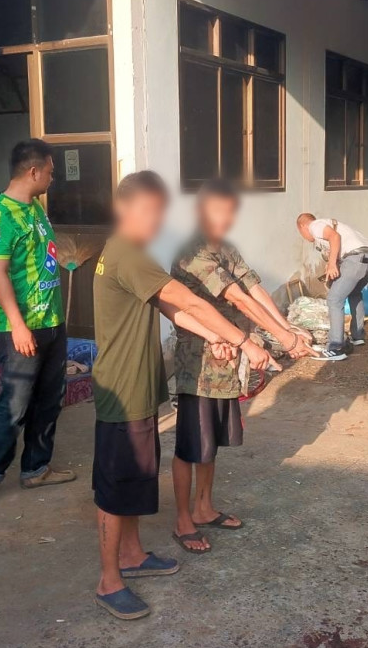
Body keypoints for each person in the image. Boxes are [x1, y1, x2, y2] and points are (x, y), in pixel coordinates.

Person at [91, 171, 274, 621]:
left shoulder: (130, 254)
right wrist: (245, 341)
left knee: (137, 478)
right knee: (115, 488)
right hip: (122, 392)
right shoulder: (127, 254)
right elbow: (190, 301)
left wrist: (216, 336)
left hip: (137, 390)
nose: (157, 221)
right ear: (126, 208)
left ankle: (132, 555)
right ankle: (109, 580)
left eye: (161, 212)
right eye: (150, 212)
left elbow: (172, 309)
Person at [170, 179, 316, 554]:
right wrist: (283, 339)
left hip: (226, 362)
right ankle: (183, 519)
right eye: (219, 212)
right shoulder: (192, 253)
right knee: (190, 445)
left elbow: (255, 289)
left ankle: (203, 507)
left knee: (212, 442)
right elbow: (239, 299)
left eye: (230, 212)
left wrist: (288, 329)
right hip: (199, 366)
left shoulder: (225, 247)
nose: (226, 219)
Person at [0, 139, 75, 512]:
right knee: (14, 404)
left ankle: (36, 468)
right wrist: (18, 325)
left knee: (50, 399)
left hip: (52, 322)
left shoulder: (36, 209)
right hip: (21, 328)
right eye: (50, 172)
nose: (52, 178)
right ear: (33, 171)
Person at [296, 213, 368, 361]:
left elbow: (335, 237)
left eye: (301, 234)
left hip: (356, 258)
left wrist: (332, 263)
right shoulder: (338, 226)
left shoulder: (314, 225)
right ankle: (358, 336)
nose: (305, 238)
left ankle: (336, 347)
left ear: (302, 226)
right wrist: (334, 262)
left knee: (334, 299)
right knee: (354, 293)